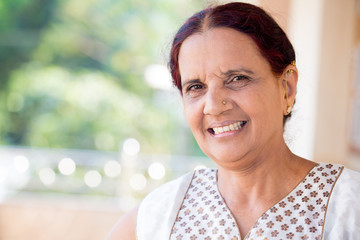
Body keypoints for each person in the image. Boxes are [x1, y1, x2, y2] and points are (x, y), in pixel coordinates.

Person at [106, 2, 360, 239]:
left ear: (286, 88)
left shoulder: (350, 207)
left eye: (237, 78)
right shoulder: (156, 218)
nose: (214, 106)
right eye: (195, 87)